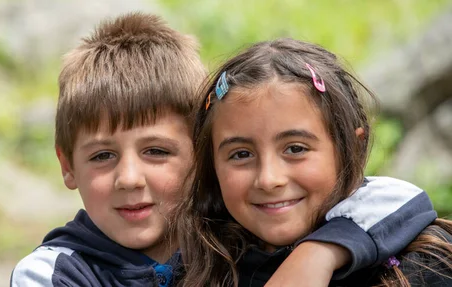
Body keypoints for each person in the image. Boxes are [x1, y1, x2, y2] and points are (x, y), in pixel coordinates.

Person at [178, 37, 452, 286]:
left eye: (295, 148)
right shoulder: (195, 267)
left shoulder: (426, 266)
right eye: (241, 154)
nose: (269, 179)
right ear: (211, 163)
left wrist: (317, 254)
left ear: (351, 148)